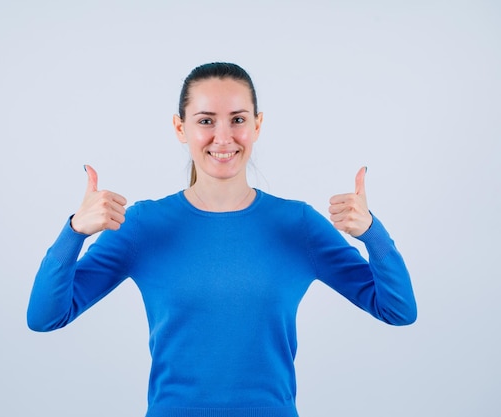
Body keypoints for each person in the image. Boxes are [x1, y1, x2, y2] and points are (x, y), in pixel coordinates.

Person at [27, 62, 417, 417]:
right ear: (181, 128)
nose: (224, 137)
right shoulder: (143, 225)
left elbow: (398, 310)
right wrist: (74, 231)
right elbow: (45, 316)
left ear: (258, 125)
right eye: (206, 120)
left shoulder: (297, 225)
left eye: (237, 119)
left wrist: (371, 234)